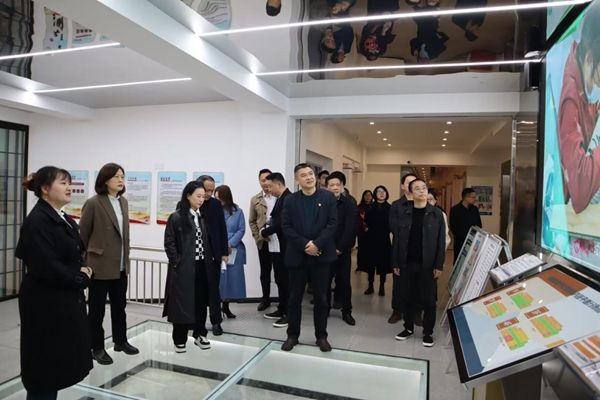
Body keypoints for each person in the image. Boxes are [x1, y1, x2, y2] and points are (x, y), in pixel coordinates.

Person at [16, 167, 93, 400]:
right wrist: (80, 277)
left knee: (57, 363)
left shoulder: (61, 216)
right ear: (45, 189)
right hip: (45, 303)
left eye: (69, 182)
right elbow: (47, 265)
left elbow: (73, 252)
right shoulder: (37, 221)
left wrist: (83, 269)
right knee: (44, 367)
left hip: (61, 300)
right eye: (63, 183)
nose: (69, 187)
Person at [79, 163, 139, 366]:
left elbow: (124, 234)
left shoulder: (123, 202)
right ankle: (96, 347)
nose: (121, 180)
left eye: (122, 176)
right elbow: (83, 236)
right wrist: (83, 265)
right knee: (96, 311)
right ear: (105, 180)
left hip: (120, 265)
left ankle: (120, 341)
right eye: (116, 177)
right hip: (99, 266)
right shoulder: (93, 203)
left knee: (119, 307)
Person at [281, 163, 338, 353]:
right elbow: (286, 226)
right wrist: (306, 245)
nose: (309, 177)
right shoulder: (290, 200)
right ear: (296, 180)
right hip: (298, 256)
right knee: (294, 299)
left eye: (311, 174)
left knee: (321, 299)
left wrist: (317, 245)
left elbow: (332, 224)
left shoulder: (327, 197)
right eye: (303, 175)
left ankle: (321, 336)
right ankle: (292, 335)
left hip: (321, 256)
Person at [164, 181, 217, 353]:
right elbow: (169, 242)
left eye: (203, 196)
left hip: (202, 266)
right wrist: (177, 262)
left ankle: (200, 333)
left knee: (201, 302)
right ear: (188, 196)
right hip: (184, 267)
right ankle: (179, 338)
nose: (201, 199)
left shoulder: (202, 216)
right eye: (198, 196)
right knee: (181, 303)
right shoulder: (176, 217)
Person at [558, 3, 600, 214]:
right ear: (590, 58)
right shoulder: (570, 98)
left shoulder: (578, 73)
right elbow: (580, 188)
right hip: (567, 215)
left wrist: (594, 110)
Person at [393, 179, 445, 347]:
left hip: (428, 265)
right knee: (407, 297)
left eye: (424, 188)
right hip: (407, 263)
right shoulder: (404, 213)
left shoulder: (436, 214)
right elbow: (397, 240)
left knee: (428, 300)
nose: (422, 191)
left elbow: (441, 242)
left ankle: (427, 332)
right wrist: (396, 262)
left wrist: (439, 265)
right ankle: (408, 328)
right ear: (411, 193)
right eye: (417, 188)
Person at [326, 172, 358, 325]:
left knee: (344, 281)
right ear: (327, 187)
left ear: (342, 186)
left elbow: (350, 228)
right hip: (325, 248)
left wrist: (340, 248)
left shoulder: (349, 203)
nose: (335, 188)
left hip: (342, 249)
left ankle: (347, 312)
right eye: (331, 185)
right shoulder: (322, 203)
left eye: (337, 185)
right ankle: (324, 309)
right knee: (324, 281)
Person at [261, 172, 292, 328]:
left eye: (270, 186)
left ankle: (289, 313)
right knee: (280, 279)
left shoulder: (288, 199)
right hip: (277, 246)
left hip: (285, 247)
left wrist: (264, 232)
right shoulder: (281, 198)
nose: (269, 190)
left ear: (278, 184)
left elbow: (281, 223)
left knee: (286, 281)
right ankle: (281, 308)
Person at [389, 173, 417, 324]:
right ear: (402, 186)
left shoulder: (422, 203)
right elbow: (394, 227)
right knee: (399, 282)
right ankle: (397, 311)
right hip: (400, 248)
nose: (412, 186)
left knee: (417, 283)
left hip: (418, 250)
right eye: (409, 183)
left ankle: (416, 313)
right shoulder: (396, 205)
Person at [215, 185, 247, 319]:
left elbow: (241, 229)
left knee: (231, 279)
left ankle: (226, 306)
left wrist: (230, 242)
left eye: (219, 198)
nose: (218, 201)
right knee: (219, 279)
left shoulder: (238, 211)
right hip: (218, 248)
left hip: (233, 249)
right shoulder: (215, 211)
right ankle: (216, 307)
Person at [249, 169, 276, 311]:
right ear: (259, 181)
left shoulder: (279, 197)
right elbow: (252, 221)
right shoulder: (255, 199)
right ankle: (265, 299)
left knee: (280, 272)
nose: (265, 183)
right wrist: (257, 237)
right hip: (263, 241)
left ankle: (284, 301)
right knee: (265, 272)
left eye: (268, 179)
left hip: (279, 240)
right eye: (262, 180)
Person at [364, 185, 392, 296]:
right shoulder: (370, 207)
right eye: (379, 191)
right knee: (370, 263)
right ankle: (370, 285)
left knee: (383, 263)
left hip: (384, 239)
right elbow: (367, 220)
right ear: (375, 194)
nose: (381, 193)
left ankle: (382, 286)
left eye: (383, 191)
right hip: (371, 238)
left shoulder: (390, 207)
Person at [450, 188, 482, 263]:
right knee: (458, 262)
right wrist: (466, 237)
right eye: (473, 197)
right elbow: (453, 227)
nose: (475, 199)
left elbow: (479, 225)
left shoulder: (475, 209)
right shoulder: (455, 210)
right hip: (460, 242)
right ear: (467, 198)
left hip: (474, 242)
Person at [356, 190, 373, 273]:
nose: (368, 197)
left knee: (370, 250)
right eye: (366, 195)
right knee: (361, 249)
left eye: (370, 195)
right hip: (361, 232)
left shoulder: (373, 207)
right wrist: (364, 227)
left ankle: (369, 266)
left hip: (372, 232)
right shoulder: (359, 207)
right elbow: (357, 219)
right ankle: (360, 266)